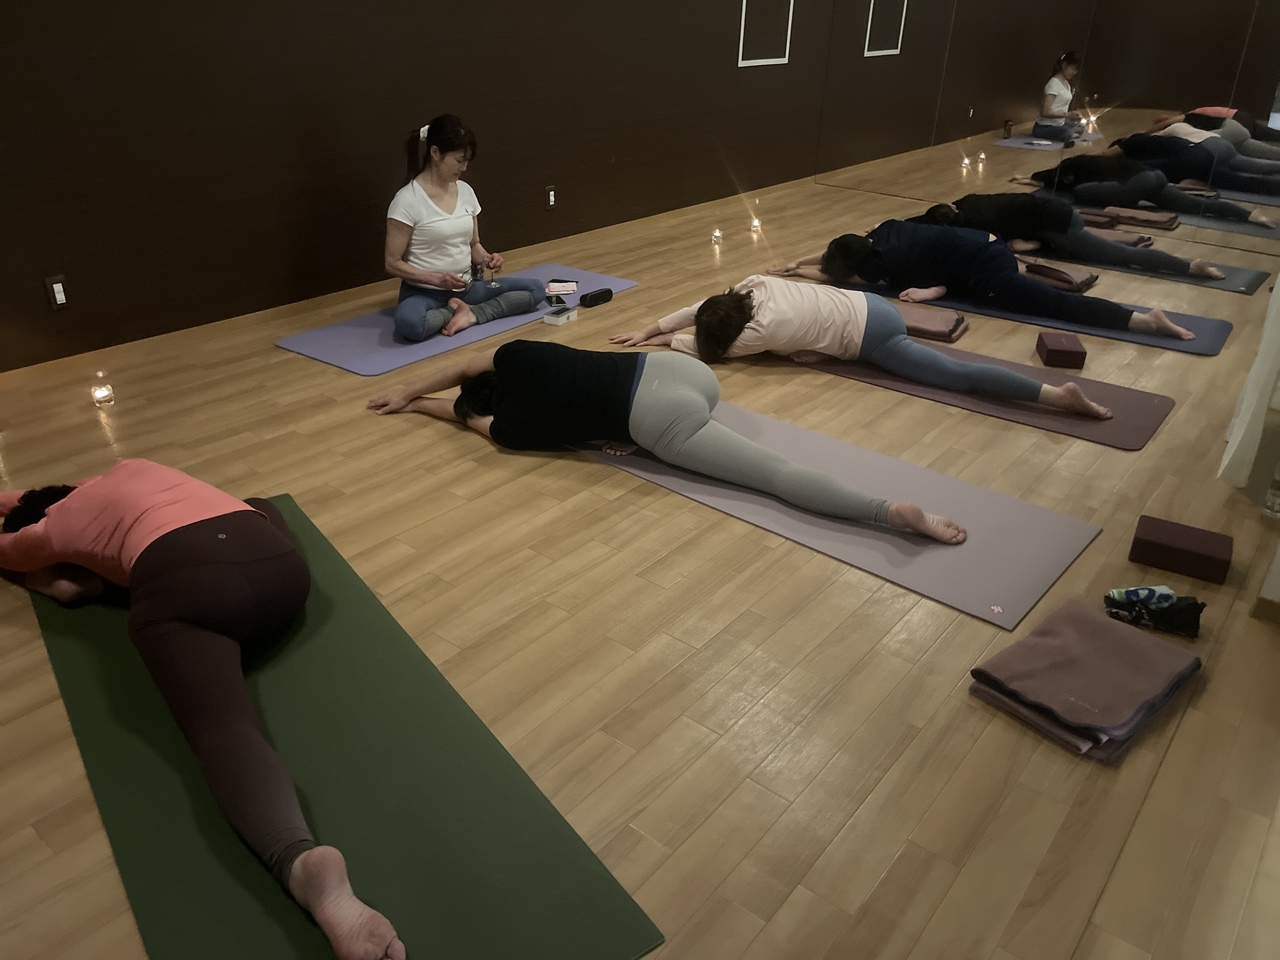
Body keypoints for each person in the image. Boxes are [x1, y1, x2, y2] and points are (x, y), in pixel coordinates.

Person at [0, 460, 405, 960]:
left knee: (221, 725)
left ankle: (297, 860)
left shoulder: (54, 527)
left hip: (193, 591)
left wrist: (51, 579)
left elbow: (9, 552)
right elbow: (28, 495)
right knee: (257, 505)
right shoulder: (130, 468)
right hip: (283, 576)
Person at [367, 342, 968, 544]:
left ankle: (888, 512)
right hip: (678, 370)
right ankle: (890, 510)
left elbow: (461, 416)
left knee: (774, 474)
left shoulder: (509, 428)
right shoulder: (517, 353)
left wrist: (418, 407)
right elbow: (464, 367)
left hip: (658, 419)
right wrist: (409, 389)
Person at [607, 274, 1112, 419]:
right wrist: (649, 326)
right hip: (871, 303)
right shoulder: (752, 284)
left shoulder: (757, 337)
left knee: (956, 376)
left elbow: (707, 349)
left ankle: (1056, 396)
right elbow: (703, 305)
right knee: (801, 349)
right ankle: (1054, 394)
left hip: (875, 337)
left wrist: (663, 337)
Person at [769, 219, 1195, 339]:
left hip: (987, 269)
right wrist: (793, 263)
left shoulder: (878, 266)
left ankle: (1141, 320)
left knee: (1055, 305)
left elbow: (836, 277)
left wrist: (801, 271)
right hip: (984, 242)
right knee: (1029, 291)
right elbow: (836, 255)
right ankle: (1021, 266)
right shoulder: (881, 231)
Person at [385, 114, 546, 342]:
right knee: (410, 323)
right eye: (459, 160)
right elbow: (392, 262)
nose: (464, 167)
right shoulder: (406, 200)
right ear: (435, 153)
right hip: (424, 293)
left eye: (467, 160)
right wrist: (436, 280)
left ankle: (471, 314)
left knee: (536, 290)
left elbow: (473, 244)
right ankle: (455, 311)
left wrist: (487, 259)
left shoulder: (466, 191)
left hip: (467, 288)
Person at [914, 193, 1225, 279]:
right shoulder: (967, 201)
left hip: (1059, 225)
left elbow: (998, 249)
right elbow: (934, 216)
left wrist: (1023, 248)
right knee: (1022, 241)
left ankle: (1188, 266)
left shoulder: (978, 225)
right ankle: (1038, 241)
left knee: (1120, 255)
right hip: (1057, 210)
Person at [1013, 152, 1275, 225]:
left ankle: (1250, 216)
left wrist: (1027, 178)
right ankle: (1250, 215)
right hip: (1155, 178)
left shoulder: (1074, 167)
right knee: (1197, 205)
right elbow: (1052, 176)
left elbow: (1052, 176)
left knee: (1080, 193)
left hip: (1137, 186)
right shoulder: (1099, 163)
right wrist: (1029, 178)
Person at [1114, 132, 1280, 195]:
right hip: (1202, 152)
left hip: (1191, 159)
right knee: (1238, 178)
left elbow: (1115, 155)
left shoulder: (1135, 145)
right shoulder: (1158, 140)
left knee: (1238, 180)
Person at [1150, 110, 1280, 158]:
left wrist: (1147, 133)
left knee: (1206, 143)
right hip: (1237, 128)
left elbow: (1169, 123)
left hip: (1232, 124)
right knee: (1266, 150)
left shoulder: (1189, 116)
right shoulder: (1190, 125)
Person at [1032, 52, 1086, 142]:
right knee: (1066, 132)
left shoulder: (1067, 84)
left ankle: (1069, 135)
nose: (1074, 73)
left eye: (1076, 70)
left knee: (1080, 127)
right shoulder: (1053, 83)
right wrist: (1066, 115)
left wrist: (1071, 116)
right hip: (1045, 126)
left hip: (1059, 124)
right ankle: (1068, 135)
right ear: (1064, 65)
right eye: (1072, 69)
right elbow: (1045, 112)